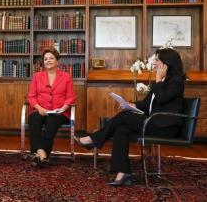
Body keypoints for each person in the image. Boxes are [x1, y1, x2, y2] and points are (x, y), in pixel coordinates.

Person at [75, 48, 185, 186]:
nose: (155, 63)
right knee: (122, 129)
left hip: (166, 127)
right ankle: (123, 172)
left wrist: (157, 80)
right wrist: (131, 104)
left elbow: (162, 98)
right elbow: (146, 103)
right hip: (154, 123)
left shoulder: (176, 81)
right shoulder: (162, 81)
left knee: (125, 117)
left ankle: (93, 139)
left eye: (157, 60)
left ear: (166, 63)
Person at [27, 47, 76, 167]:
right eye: (45, 59)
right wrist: (39, 108)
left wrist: (64, 108)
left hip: (59, 112)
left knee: (51, 121)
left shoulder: (66, 77)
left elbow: (71, 97)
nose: (48, 61)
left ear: (57, 61)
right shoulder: (37, 76)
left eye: (51, 58)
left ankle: (40, 155)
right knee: (34, 119)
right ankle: (41, 153)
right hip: (40, 109)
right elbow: (31, 97)